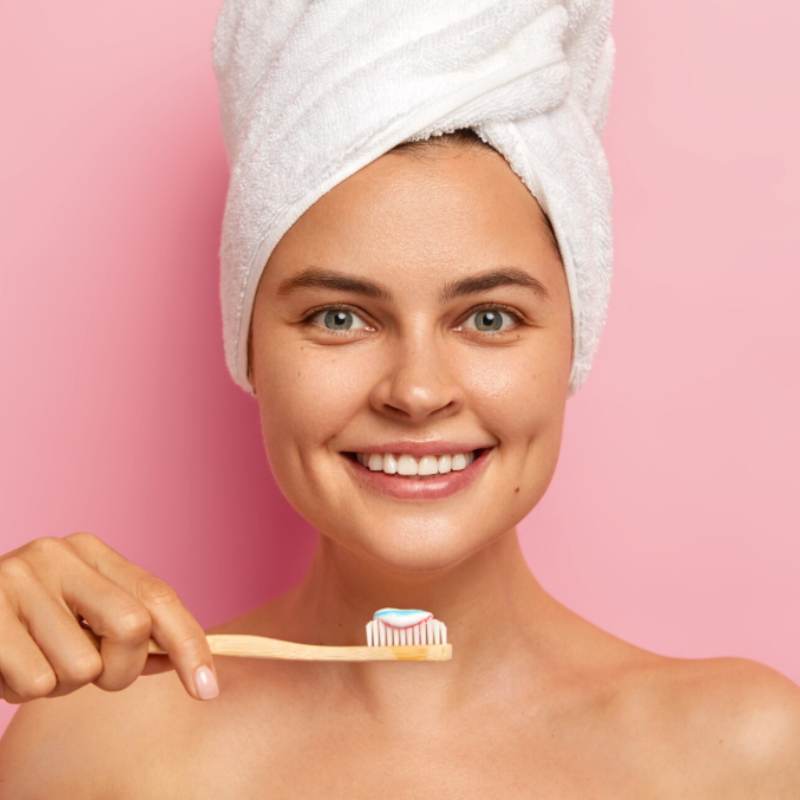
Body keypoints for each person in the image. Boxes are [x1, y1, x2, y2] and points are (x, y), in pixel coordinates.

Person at [0, 126, 799, 797]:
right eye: (340, 316)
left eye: (489, 317)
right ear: (247, 347)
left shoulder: (742, 754)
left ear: (573, 347)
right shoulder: (90, 750)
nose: (416, 391)